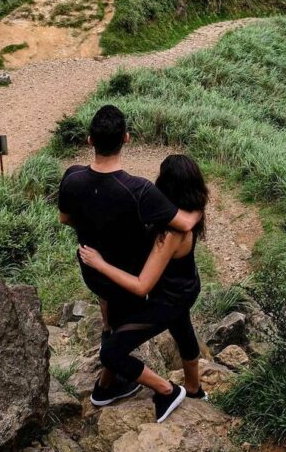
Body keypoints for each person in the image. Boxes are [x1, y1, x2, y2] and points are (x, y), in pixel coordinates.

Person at [57, 105, 203, 411]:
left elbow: (64, 219)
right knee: (172, 324)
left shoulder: (71, 178)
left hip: (101, 278)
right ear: (126, 138)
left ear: (89, 140)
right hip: (130, 279)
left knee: (120, 336)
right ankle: (185, 390)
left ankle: (110, 386)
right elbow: (184, 224)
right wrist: (198, 206)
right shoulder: (140, 191)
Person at [79, 153, 209, 423]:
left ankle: (167, 390)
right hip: (186, 288)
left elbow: (141, 286)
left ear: (166, 184)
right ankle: (194, 390)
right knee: (182, 328)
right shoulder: (190, 211)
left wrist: (99, 263)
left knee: (111, 352)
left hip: (168, 299)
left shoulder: (171, 233)